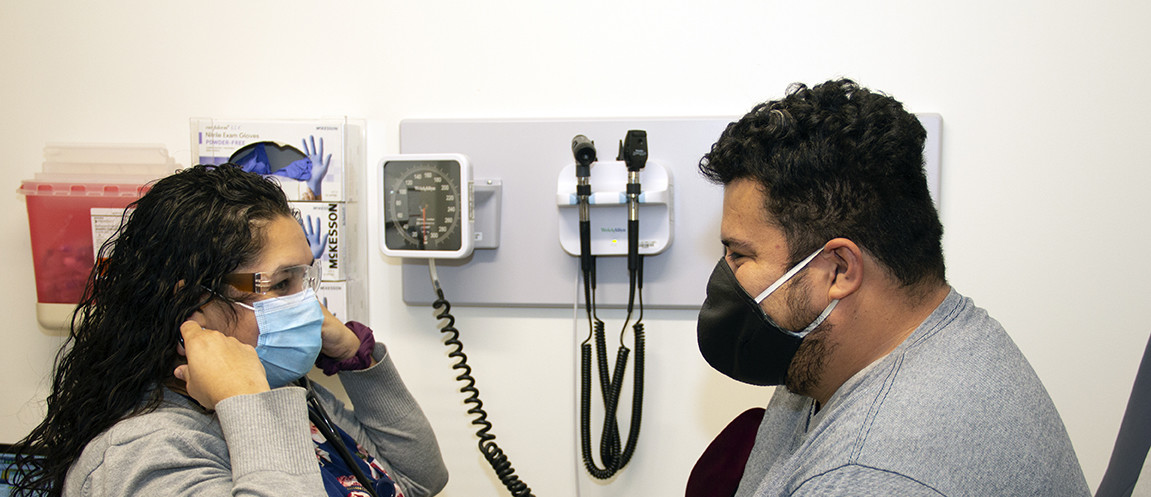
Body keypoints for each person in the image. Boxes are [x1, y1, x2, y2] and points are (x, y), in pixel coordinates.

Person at [693, 79, 1090, 496]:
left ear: (839, 270)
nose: (726, 273)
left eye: (740, 255)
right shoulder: (881, 344)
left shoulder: (872, 473)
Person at [10, 165, 448, 497]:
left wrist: (355, 356)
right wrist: (250, 406)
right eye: (281, 283)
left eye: (304, 279)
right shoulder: (145, 455)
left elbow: (416, 479)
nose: (310, 306)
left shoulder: (281, 388)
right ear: (191, 303)